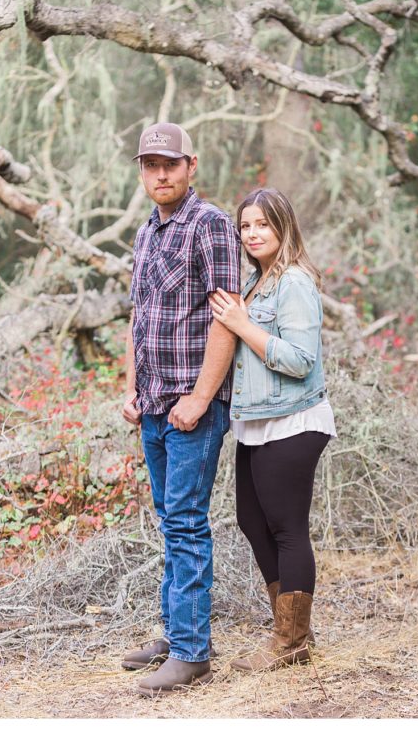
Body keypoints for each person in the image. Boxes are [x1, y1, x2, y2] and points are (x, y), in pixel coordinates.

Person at [120, 122, 242, 697]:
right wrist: (131, 388)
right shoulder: (147, 232)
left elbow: (227, 317)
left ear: (191, 165)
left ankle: (193, 654)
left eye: (169, 164)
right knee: (171, 522)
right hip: (153, 407)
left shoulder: (211, 226)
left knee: (188, 523)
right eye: (150, 164)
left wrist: (199, 398)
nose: (160, 174)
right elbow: (138, 317)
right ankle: (176, 633)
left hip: (193, 408)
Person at [208, 187, 335, 672]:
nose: (253, 233)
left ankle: (291, 641)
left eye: (263, 223)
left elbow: (301, 362)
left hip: (294, 419)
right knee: (252, 520)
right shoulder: (255, 282)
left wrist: (243, 325)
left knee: (285, 527)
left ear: (284, 227)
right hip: (258, 421)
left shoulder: (294, 283)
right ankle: (290, 630)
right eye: (246, 225)